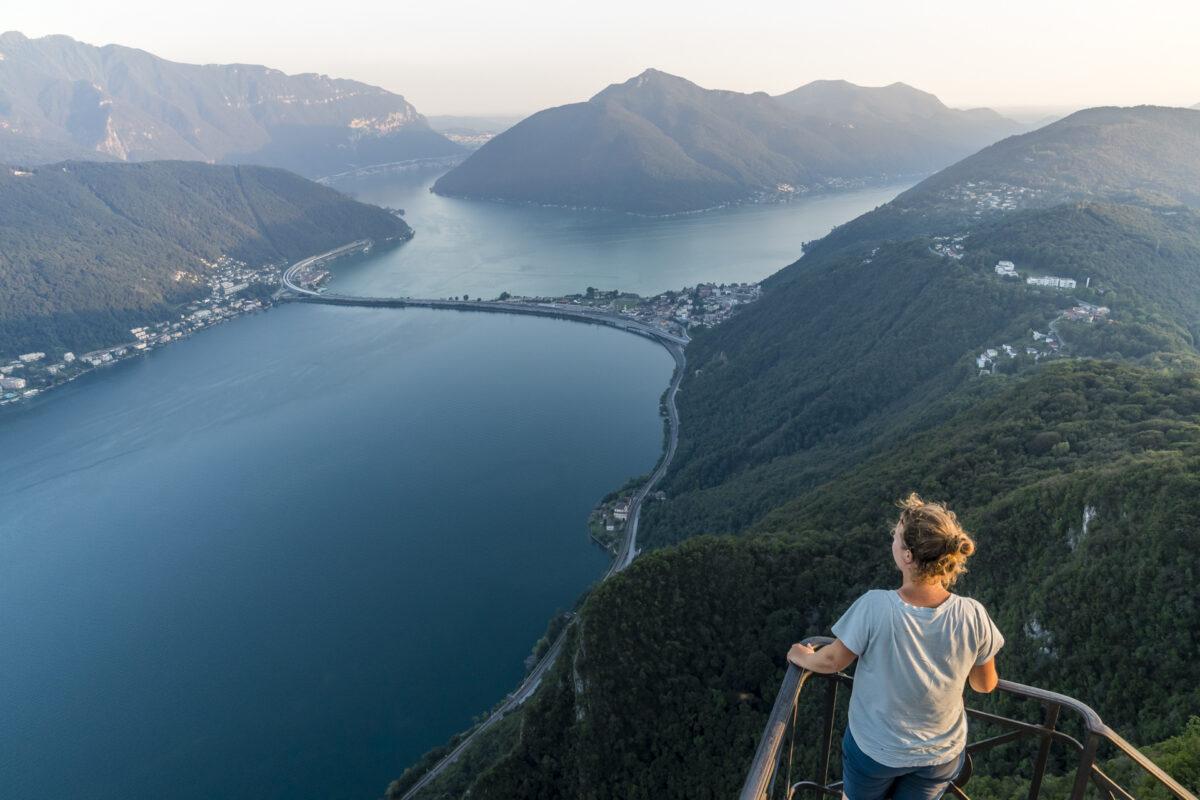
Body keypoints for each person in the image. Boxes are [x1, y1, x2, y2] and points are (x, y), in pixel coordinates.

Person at [787, 493, 1004, 800]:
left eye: (897, 538)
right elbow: (984, 684)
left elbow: (832, 661)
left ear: (907, 556)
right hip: (939, 755)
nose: (893, 541)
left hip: (877, 750)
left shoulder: (875, 606)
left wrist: (800, 655)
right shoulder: (972, 613)